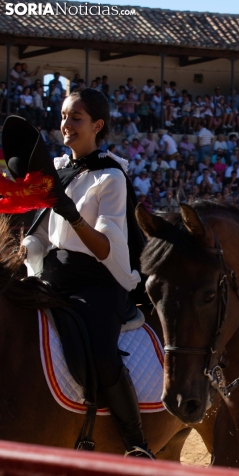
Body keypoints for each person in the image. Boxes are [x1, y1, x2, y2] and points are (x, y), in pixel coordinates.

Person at [15, 89, 152, 458]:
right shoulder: (57, 169)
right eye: (63, 116)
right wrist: (27, 247)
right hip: (52, 275)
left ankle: (136, 443)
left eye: (76, 117)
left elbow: (106, 248)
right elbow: (42, 232)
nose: (66, 124)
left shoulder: (111, 177)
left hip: (97, 281)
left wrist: (69, 210)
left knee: (105, 355)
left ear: (97, 125)